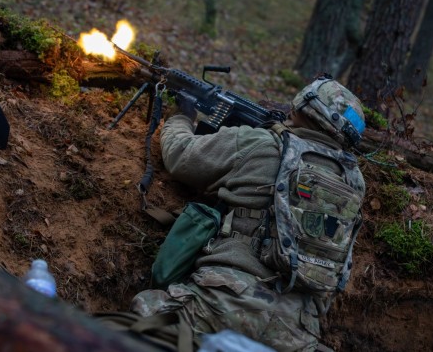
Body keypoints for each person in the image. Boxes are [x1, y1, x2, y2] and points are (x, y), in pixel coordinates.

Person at [130, 76, 366, 351]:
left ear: (302, 107)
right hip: (297, 331)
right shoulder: (354, 183)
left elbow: (180, 155)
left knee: (137, 324)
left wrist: (181, 117)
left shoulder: (261, 143)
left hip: (222, 305)